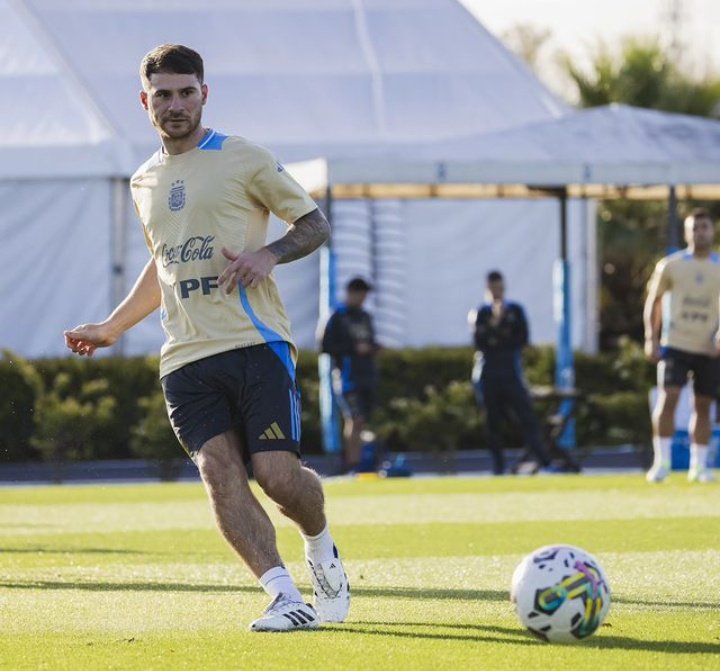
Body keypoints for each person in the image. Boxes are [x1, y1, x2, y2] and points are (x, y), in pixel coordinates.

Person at [64, 44, 349, 632]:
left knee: (277, 478)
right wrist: (113, 326)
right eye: (162, 95)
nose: (175, 105)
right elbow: (161, 264)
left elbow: (313, 223)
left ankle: (320, 544)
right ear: (145, 102)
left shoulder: (242, 156)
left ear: (204, 94)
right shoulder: (143, 180)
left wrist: (266, 255)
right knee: (218, 471)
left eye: (185, 92)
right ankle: (282, 596)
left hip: (255, 343)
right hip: (185, 358)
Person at [644, 207, 720, 483]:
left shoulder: (718, 266)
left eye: (705, 227)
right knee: (670, 397)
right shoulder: (671, 265)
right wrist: (651, 338)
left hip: (707, 346)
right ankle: (661, 462)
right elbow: (653, 302)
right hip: (675, 343)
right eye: (695, 228)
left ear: (712, 231)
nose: (700, 232)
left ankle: (699, 466)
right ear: (687, 233)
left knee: (703, 405)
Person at [470, 271, 551, 475]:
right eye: (492, 288)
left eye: (499, 287)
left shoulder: (515, 310)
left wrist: (498, 336)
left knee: (526, 417)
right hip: (488, 375)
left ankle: (543, 460)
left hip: (511, 373)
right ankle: (498, 466)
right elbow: (480, 342)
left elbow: (520, 339)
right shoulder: (481, 313)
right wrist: (498, 332)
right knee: (493, 421)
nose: (496, 291)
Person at [321, 277, 379, 473]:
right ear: (351, 293)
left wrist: (373, 348)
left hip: (367, 376)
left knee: (362, 420)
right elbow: (325, 345)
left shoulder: (365, 316)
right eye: (360, 294)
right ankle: (353, 464)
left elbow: (370, 340)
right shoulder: (336, 316)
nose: (363, 298)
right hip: (347, 378)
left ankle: (362, 462)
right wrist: (354, 349)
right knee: (355, 419)